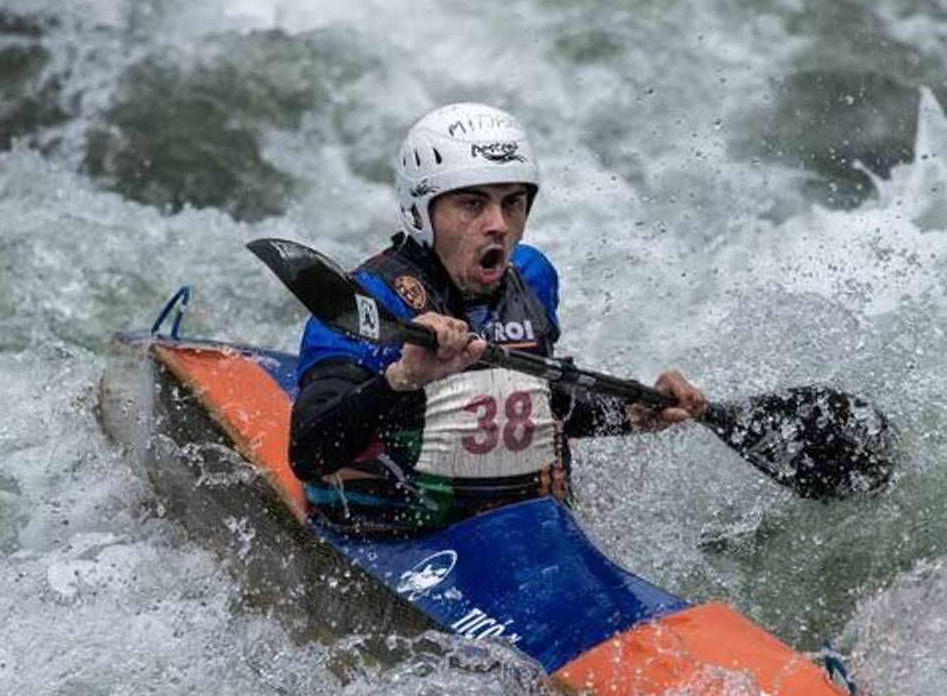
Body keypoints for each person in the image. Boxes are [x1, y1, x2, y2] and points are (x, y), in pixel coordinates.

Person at [289, 102, 706, 530]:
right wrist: (402, 379)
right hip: (401, 542)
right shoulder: (366, 302)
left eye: (513, 203)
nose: (499, 224)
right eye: (472, 203)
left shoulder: (532, 277)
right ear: (419, 212)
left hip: (529, 536)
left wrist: (632, 413)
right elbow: (308, 453)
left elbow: (539, 403)